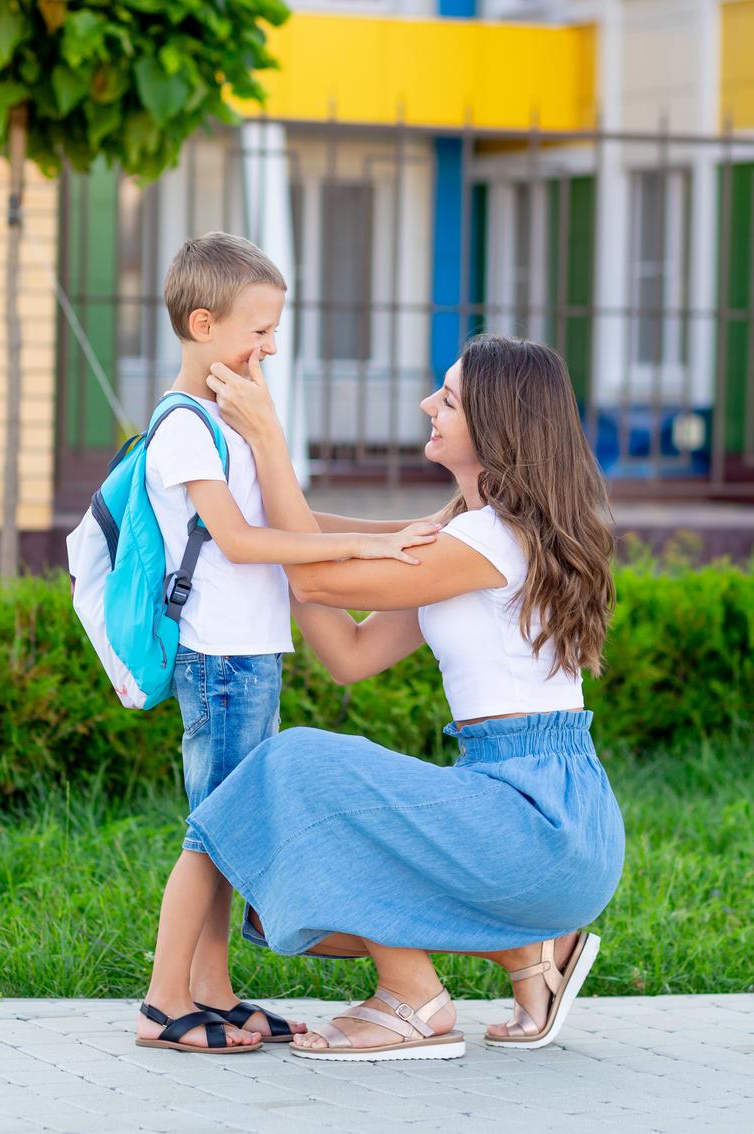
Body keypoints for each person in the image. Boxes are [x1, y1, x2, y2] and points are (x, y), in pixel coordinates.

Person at [137, 333, 625, 1060]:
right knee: (301, 838)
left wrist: (269, 439)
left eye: (450, 398)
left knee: (297, 767)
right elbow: (349, 653)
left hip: (536, 822)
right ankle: (527, 956)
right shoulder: (470, 536)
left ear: (495, 425)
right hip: (545, 818)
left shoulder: (488, 541)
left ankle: (411, 998)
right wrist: (265, 538)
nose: (429, 404)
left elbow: (317, 581)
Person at [136, 232, 440, 1053]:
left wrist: (395, 531)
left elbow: (288, 524)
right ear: (204, 325)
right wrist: (364, 552)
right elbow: (241, 540)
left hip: (247, 657)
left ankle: (214, 990)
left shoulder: (226, 423)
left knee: (227, 825)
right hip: (222, 661)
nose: (270, 347)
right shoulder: (186, 429)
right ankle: (165, 1003)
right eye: (259, 331)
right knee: (217, 832)